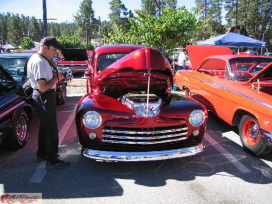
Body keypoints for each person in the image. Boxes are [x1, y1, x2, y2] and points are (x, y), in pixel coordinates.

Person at [27, 36, 70, 170]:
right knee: (51, 129)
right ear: (44, 47)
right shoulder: (39, 62)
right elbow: (42, 87)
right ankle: (53, 160)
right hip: (44, 95)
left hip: (43, 96)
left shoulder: (41, 59)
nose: (55, 52)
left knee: (45, 127)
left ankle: (42, 153)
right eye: (54, 49)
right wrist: (57, 78)